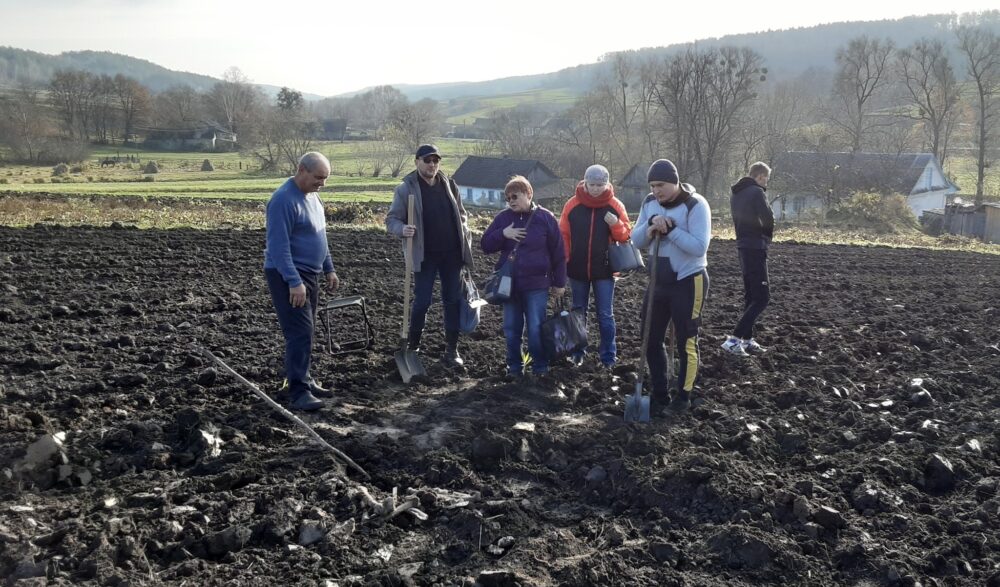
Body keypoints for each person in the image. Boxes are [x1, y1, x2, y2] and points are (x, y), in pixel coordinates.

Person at [631, 159, 712, 414]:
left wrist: (671, 230)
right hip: (658, 281)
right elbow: (635, 240)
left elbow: (700, 247)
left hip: (689, 280)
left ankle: (683, 397)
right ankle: (660, 393)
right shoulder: (648, 203)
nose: (657, 190)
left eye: (662, 185)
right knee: (650, 338)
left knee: (687, 340)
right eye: (653, 185)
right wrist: (651, 225)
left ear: (675, 182)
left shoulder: (695, 205)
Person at [386, 144, 475, 368]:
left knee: (452, 300)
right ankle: (414, 346)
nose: (432, 165)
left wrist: (463, 231)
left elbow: (462, 214)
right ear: (417, 162)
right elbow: (391, 220)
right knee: (422, 301)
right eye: (427, 160)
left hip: (452, 254)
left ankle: (452, 350)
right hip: (424, 255)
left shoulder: (449, 185)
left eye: (436, 161)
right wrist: (402, 229)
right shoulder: (406, 189)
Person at [264, 152, 340, 411]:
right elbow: (278, 248)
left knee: (307, 332)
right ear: (302, 170)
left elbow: (321, 236)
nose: (322, 183)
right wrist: (294, 281)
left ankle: (304, 378)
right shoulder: (283, 200)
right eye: (318, 177)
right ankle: (298, 392)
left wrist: (329, 268)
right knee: (299, 332)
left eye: (325, 179)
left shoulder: (314, 197)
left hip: (310, 273)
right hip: (289, 274)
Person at [481, 175, 567, 376]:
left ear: (529, 194)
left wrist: (560, 282)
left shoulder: (545, 218)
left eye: (515, 196)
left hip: (537, 284)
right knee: (511, 329)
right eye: (507, 197)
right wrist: (504, 234)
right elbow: (485, 245)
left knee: (536, 328)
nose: (511, 200)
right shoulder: (503, 219)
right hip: (509, 285)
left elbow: (559, 252)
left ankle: (540, 367)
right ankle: (514, 368)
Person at [558, 164, 632, 369]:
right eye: (593, 184)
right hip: (577, 268)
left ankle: (608, 357)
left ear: (607, 183)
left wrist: (615, 224)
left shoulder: (615, 206)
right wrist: (564, 262)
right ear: (585, 182)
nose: (597, 188)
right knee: (578, 311)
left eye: (601, 184)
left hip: (605, 270)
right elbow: (563, 235)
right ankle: (578, 353)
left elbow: (625, 235)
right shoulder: (572, 205)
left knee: (605, 314)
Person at [721, 162, 774, 357]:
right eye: (766, 179)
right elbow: (768, 217)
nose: (765, 183)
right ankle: (734, 340)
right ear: (760, 176)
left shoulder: (736, 194)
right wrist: (767, 239)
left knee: (751, 295)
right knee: (762, 298)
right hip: (755, 247)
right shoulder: (757, 192)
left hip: (742, 246)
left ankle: (747, 339)